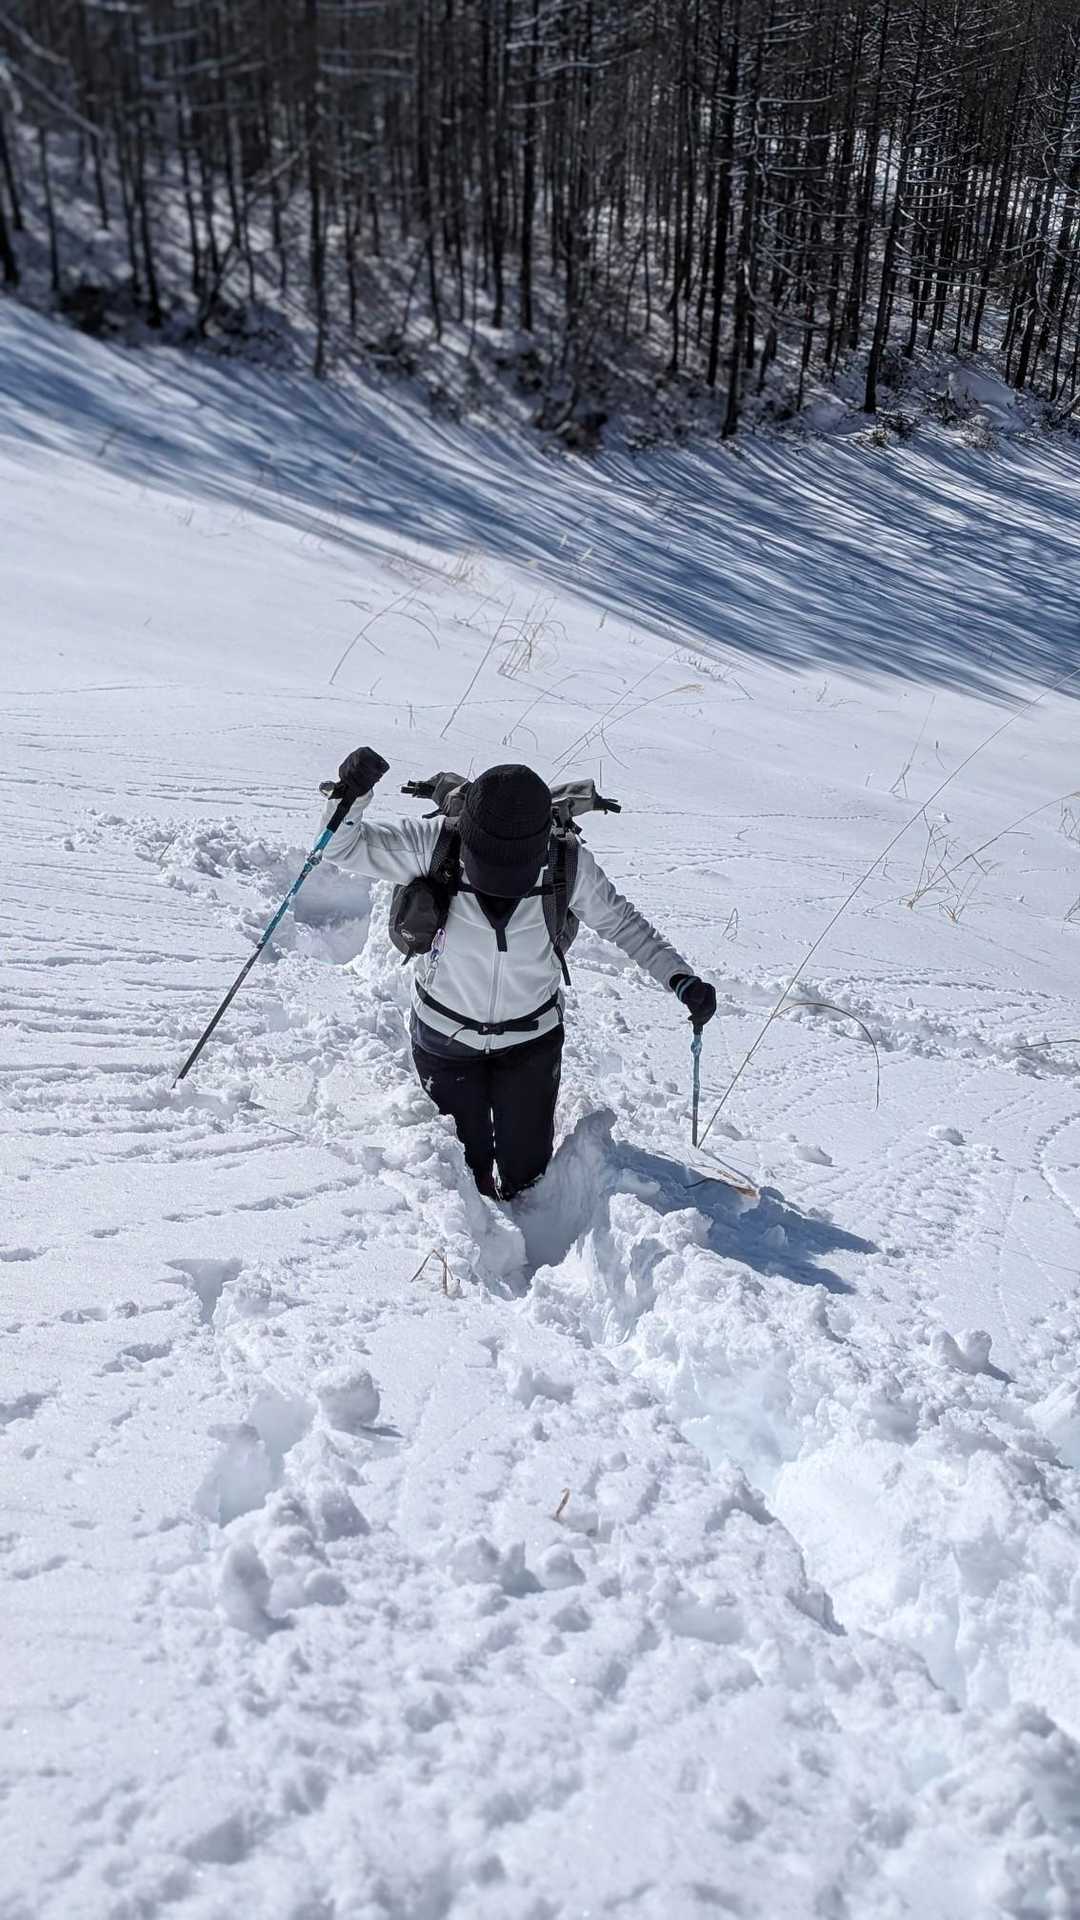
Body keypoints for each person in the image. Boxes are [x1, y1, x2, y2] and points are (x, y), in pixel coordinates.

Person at [322, 747, 717, 1201]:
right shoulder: (434, 843)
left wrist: (679, 978)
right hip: (445, 1041)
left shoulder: (568, 862)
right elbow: (339, 846)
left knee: (529, 1180)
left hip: (530, 1045)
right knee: (464, 1179)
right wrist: (351, 794)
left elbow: (623, 924)